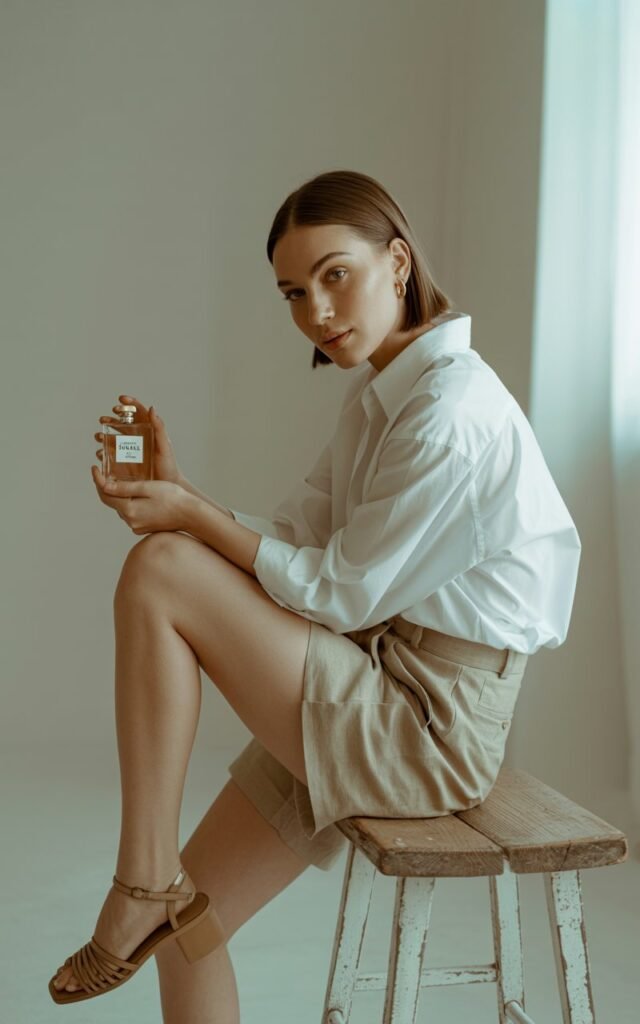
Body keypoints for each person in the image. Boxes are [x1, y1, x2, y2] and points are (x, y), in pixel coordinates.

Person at [49, 169, 581, 1019]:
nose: (316, 313)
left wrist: (187, 521)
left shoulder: (450, 410)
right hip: (372, 680)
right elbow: (296, 540)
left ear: (397, 263)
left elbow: (339, 593)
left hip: (427, 729)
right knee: (194, 930)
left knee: (162, 569)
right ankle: (152, 890)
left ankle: (140, 879)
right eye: (295, 292)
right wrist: (185, 497)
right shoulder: (384, 395)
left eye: (337, 276)